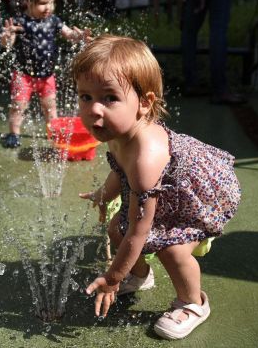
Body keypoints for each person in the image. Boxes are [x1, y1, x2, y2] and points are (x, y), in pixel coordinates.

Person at [73, 35, 240, 340]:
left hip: (197, 193)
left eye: (110, 98)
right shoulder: (114, 131)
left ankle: (193, 303)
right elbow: (118, 168)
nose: (94, 110)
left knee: (171, 250)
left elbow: (140, 231)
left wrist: (111, 277)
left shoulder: (146, 159)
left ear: (144, 103)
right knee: (115, 228)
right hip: (159, 190)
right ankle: (139, 276)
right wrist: (104, 194)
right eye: (85, 97)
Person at [0, 0, 90, 149]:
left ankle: (53, 133)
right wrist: (7, 36)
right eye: (43, 3)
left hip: (47, 76)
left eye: (51, 2)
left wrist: (78, 36)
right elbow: (7, 45)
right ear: (28, 0)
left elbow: (68, 33)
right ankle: (14, 133)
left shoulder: (53, 21)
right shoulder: (21, 23)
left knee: (50, 108)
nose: (48, 7)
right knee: (19, 106)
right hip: (23, 75)